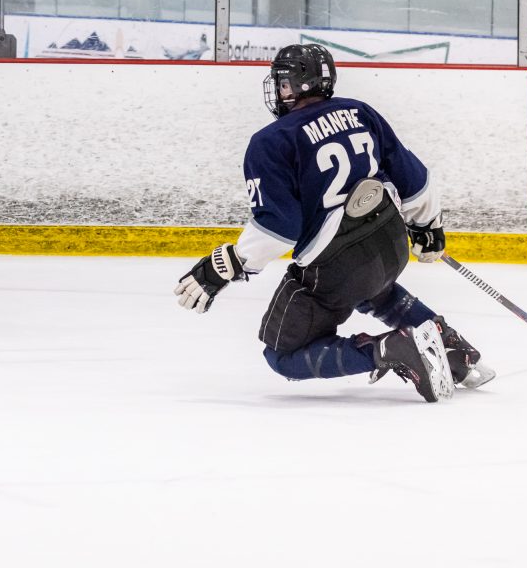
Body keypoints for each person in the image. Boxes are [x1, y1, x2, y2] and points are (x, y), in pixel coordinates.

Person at [172, 44, 492, 402]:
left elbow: (279, 227)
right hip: (390, 246)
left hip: (335, 269)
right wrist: (427, 225)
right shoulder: (359, 111)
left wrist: (228, 264)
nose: (279, 90)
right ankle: (454, 349)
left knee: (282, 355)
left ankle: (390, 350)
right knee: (375, 290)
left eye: (283, 83)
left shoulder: (270, 141)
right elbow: (413, 178)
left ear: (296, 85)